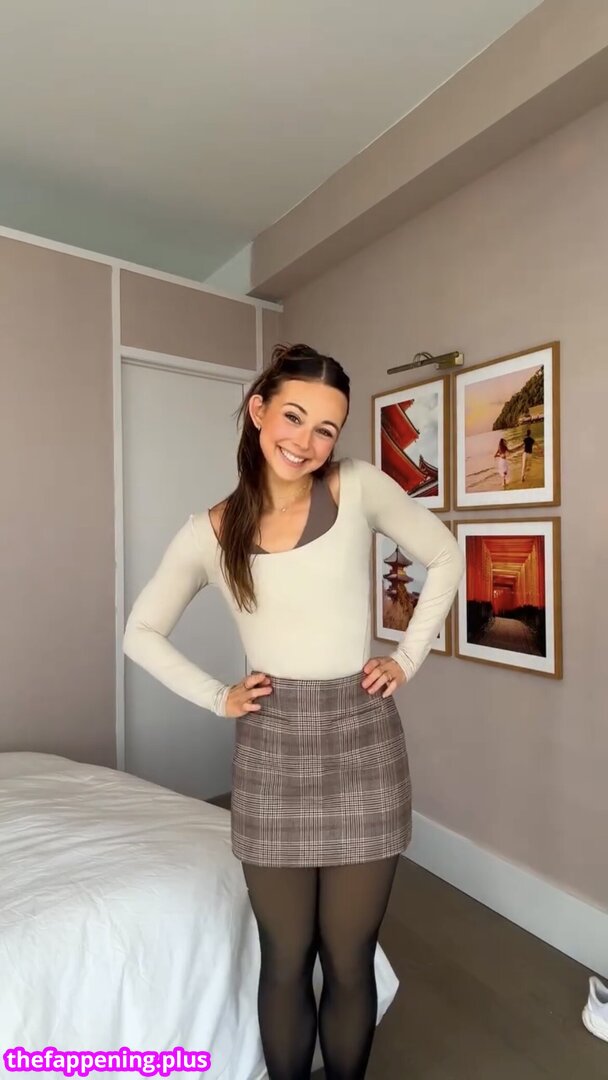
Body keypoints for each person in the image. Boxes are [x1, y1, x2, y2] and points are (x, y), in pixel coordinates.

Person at [123, 343, 464, 1080]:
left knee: (348, 956)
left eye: (325, 429)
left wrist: (406, 657)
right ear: (259, 411)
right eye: (294, 417)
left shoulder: (357, 486)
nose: (306, 442)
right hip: (270, 748)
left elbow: (445, 555)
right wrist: (218, 695)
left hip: (364, 741)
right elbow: (140, 632)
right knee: (284, 957)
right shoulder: (210, 531)